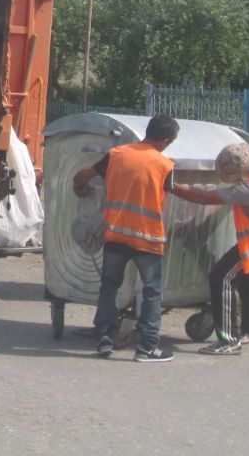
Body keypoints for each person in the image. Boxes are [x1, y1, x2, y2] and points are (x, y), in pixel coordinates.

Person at [72, 113, 180, 362]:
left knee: (109, 286)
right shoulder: (165, 166)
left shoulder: (116, 155)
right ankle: (147, 347)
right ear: (165, 141)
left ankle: (104, 340)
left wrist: (80, 189)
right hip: (148, 238)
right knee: (151, 291)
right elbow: (173, 194)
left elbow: (81, 177)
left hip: (116, 235)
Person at [171, 140, 249, 355]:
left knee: (221, 277)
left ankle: (228, 340)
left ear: (241, 176)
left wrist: (169, 185)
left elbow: (205, 197)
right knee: (248, 276)